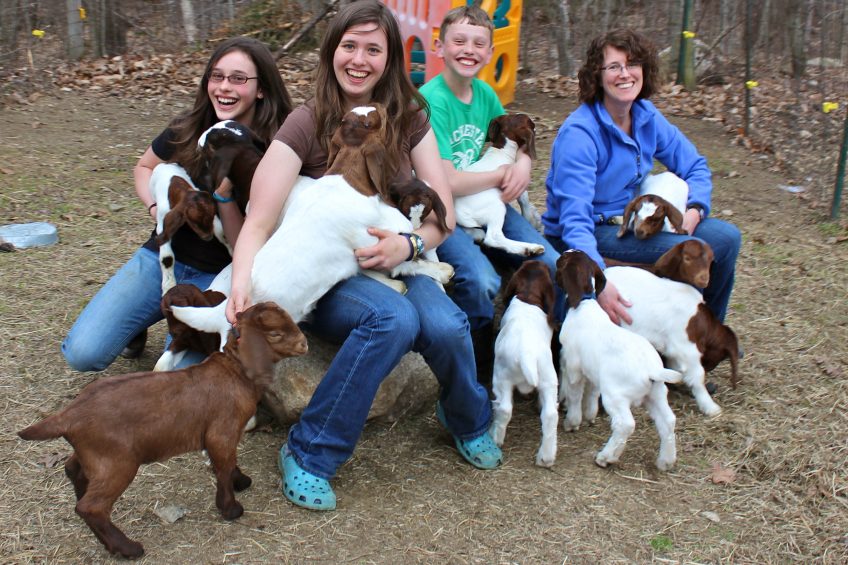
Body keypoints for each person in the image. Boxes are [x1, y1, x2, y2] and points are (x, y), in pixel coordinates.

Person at [227, 0, 502, 512]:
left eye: (373, 49)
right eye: (349, 45)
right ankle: (311, 452)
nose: (359, 59)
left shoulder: (411, 118)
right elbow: (260, 219)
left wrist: (410, 244)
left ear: (390, 58)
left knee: (444, 325)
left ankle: (466, 417)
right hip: (330, 276)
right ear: (332, 51)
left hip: (398, 257)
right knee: (392, 319)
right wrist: (243, 279)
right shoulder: (306, 123)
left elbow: (439, 209)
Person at [62, 37, 293, 372]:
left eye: (238, 78)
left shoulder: (273, 153)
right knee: (82, 354)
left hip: (220, 274)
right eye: (217, 76)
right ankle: (139, 318)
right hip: (162, 256)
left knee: (180, 372)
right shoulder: (188, 128)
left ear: (261, 89)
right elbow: (144, 167)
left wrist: (225, 194)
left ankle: (173, 320)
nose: (224, 87)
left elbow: (249, 242)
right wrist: (157, 209)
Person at [543, 28, 741, 324]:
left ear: (644, 70)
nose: (625, 74)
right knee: (685, 252)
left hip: (632, 223)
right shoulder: (580, 134)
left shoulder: (646, 116)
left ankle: (705, 335)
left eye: (632, 64)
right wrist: (598, 279)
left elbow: (694, 165)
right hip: (590, 231)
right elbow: (574, 219)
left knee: (727, 238)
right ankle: (669, 328)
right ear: (597, 75)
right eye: (613, 67)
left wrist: (695, 210)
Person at [419, 5, 563, 383]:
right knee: (481, 280)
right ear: (440, 46)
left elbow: (518, 137)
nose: (469, 50)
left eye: (479, 43)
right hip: (443, 213)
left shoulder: (485, 95)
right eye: (459, 41)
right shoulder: (430, 101)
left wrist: (524, 164)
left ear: (489, 52)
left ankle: (555, 359)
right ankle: (480, 369)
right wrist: (502, 171)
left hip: (489, 204)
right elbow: (444, 180)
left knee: (551, 261)